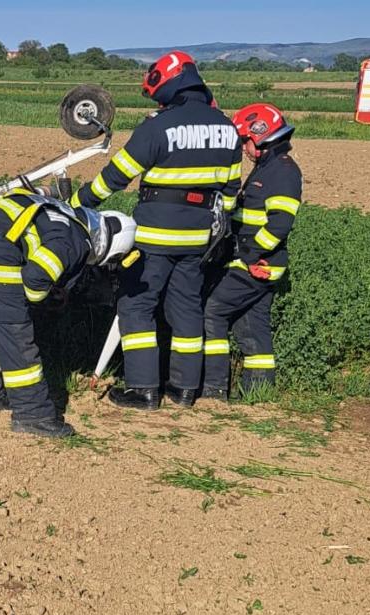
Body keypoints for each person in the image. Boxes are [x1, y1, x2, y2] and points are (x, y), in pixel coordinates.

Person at [70, 51, 243, 410]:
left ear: (170, 83)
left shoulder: (159, 126)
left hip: (154, 236)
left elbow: (117, 176)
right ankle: (183, 391)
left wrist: (80, 201)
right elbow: (229, 192)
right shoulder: (227, 129)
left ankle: (143, 389)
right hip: (197, 239)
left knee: (136, 305)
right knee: (186, 311)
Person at [0, 188, 136, 437]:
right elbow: (35, 280)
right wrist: (43, 299)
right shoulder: (77, 240)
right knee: (18, 342)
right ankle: (33, 414)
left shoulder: (61, 213)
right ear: (108, 249)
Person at [202, 104, 302, 399]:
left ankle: (214, 388)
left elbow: (280, 225)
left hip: (256, 264)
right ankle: (258, 392)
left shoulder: (282, 172)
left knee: (213, 311)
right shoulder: (270, 167)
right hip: (260, 263)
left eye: (245, 140)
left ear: (260, 136)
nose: (244, 148)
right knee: (252, 324)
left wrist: (247, 256)